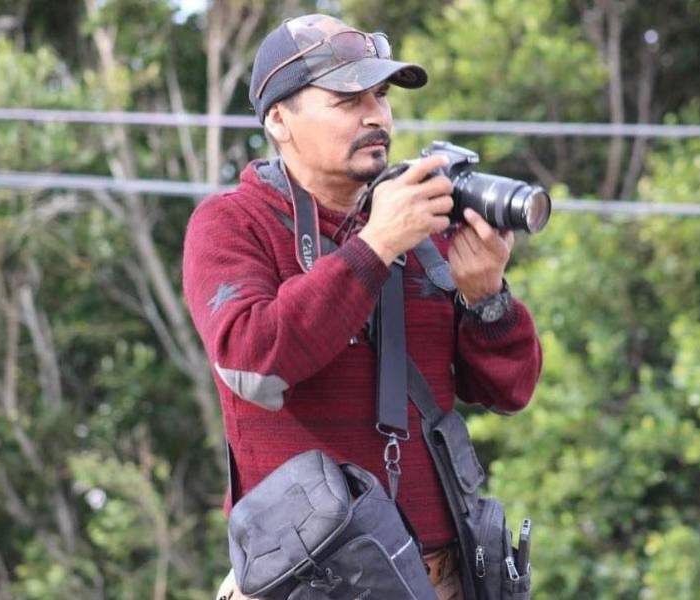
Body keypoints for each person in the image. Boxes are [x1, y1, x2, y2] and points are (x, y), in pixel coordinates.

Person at [182, 13, 543, 600]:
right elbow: (254, 361)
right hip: (307, 581)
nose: (375, 114)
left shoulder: (418, 221)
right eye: (347, 99)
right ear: (279, 119)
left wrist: (488, 299)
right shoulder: (229, 223)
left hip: (443, 578)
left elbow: (511, 391)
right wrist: (375, 246)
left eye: (379, 95)